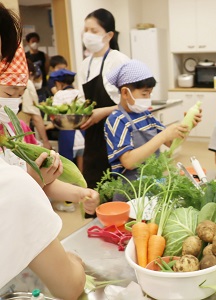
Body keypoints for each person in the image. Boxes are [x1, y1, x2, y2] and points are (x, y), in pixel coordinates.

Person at [0, 4, 86, 298]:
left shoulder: (14, 135)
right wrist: (72, 262)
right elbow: (70, 286)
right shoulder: (11, 183)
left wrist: (73, 191)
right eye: (10, 93)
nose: (15, 103)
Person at [104, 60, 200, 192]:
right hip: (131, 189)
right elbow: (129, 161)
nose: (148, 98)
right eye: (144, 94)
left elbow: (171, 142)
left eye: (150, 93)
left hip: (153, 182)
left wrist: (187, 126)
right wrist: (163, 135)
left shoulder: (146, 115)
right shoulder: (116, 120)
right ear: (125, 93)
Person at [78, 8, 130, 189]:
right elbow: (85, 102)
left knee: (117, 191)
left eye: (94, 31)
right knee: (93, 189)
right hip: (93, 138)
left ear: (108, 35)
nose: (88, 35)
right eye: (86, 30)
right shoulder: (85, 65)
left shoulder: (120, 61)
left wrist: (104, 112)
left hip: (118, 136)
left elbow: (134, 103)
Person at [17, 59, 52, 149]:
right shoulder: (27, 84)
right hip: (20, 136)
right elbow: (36, 117)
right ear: (30, 72)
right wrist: (46, 142)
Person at [25, 32, 49, 102]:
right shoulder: (25, 56)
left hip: (42, 84)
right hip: (31, 82)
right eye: (33, 41)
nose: (35, 43)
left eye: (36, 41)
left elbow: (46, 69)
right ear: (28, 42)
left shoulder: (43, 55)